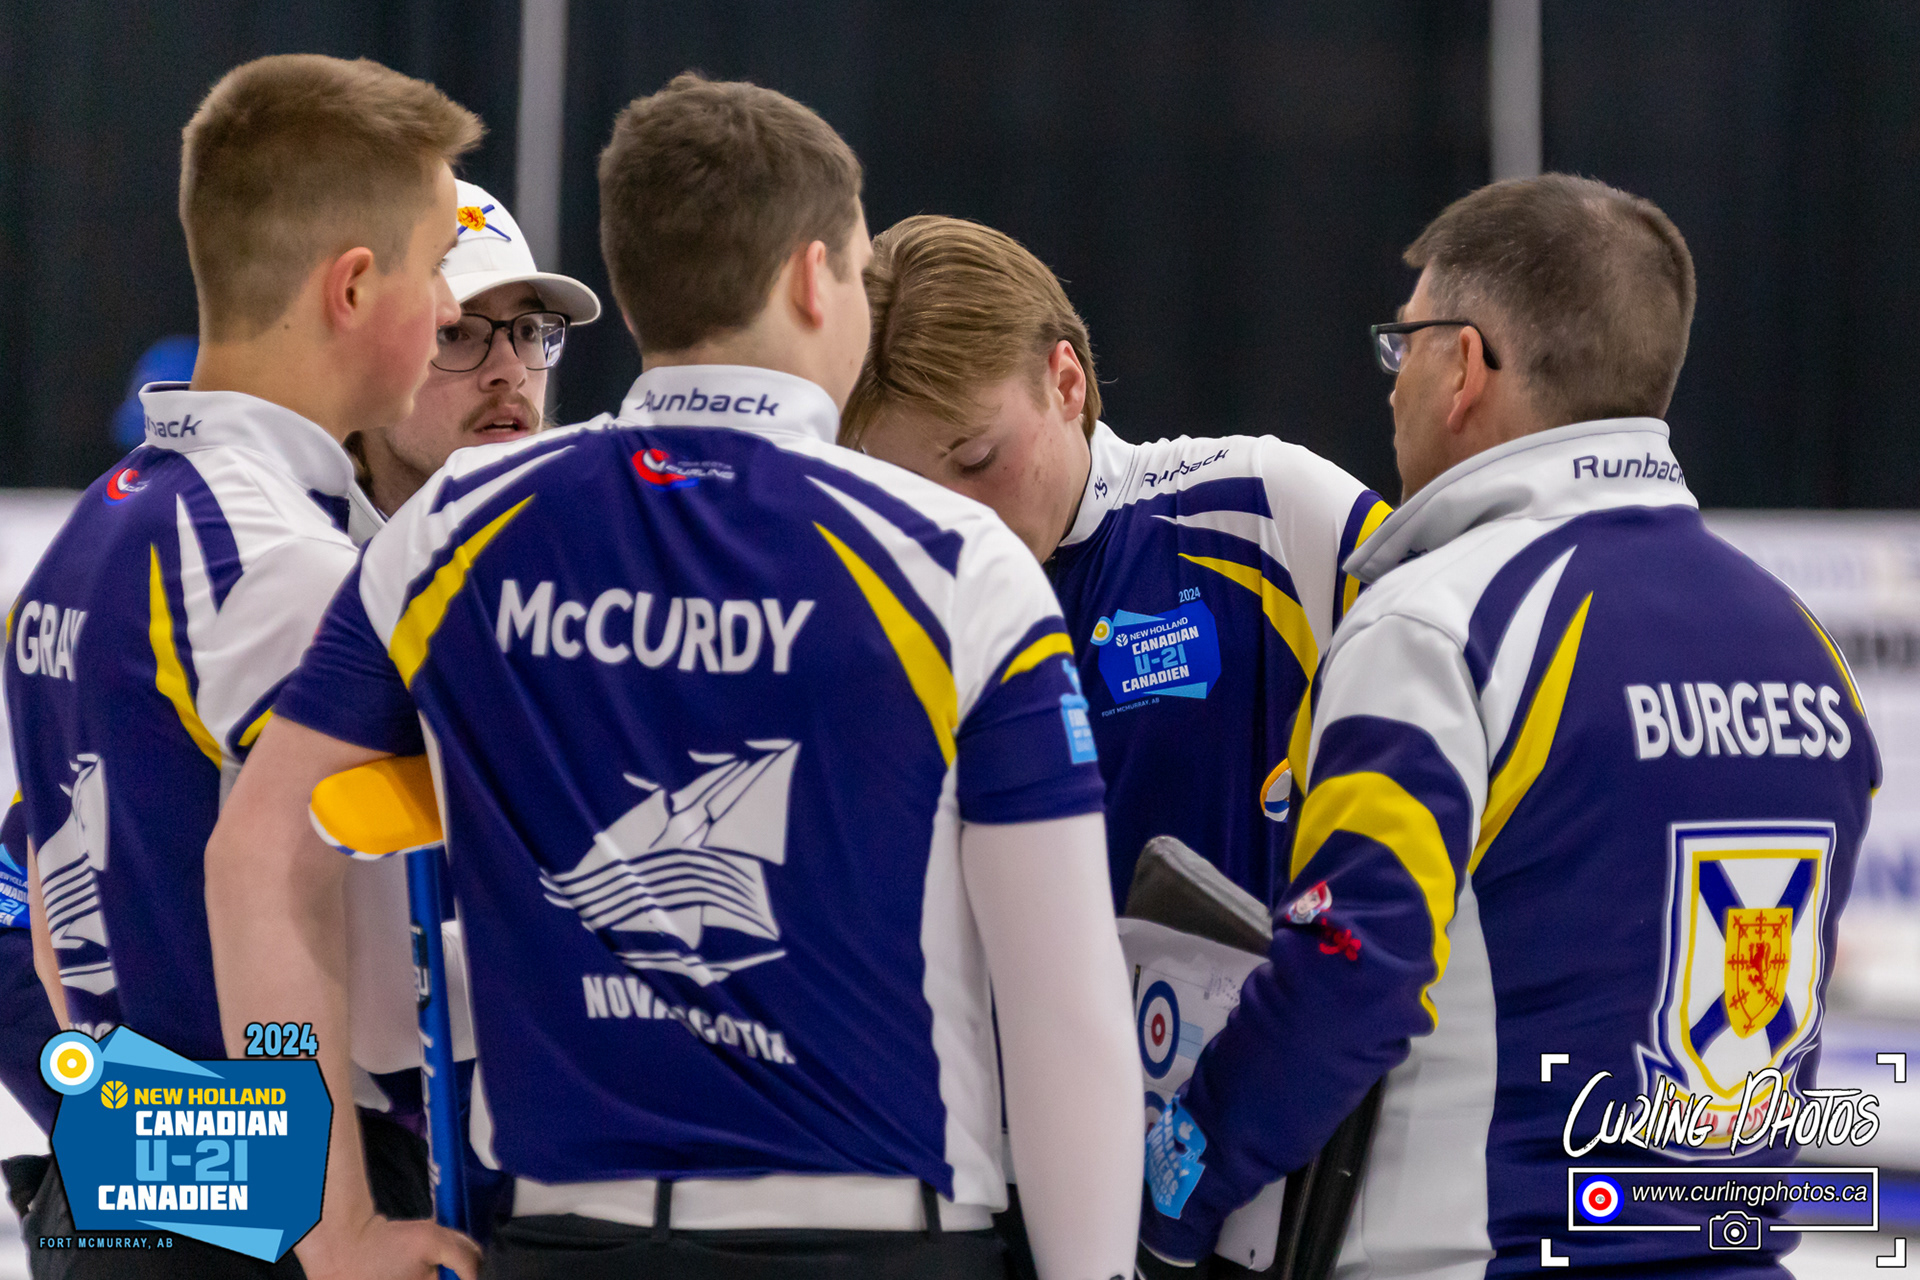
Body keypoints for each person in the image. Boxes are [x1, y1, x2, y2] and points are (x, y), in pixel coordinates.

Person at [205, 72, 1141, 1280]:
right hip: (877, 1240)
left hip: (563, 1241)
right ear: (813, 278)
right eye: (861, 270)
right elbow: (1065, 1007)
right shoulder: (956, 561)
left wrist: (321, 1220)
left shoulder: (450, 533)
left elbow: (254, 856)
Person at [1135, 175, 1878, 1277]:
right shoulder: (1808, 647)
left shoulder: (1434, 622)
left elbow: (1348, 973)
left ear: (1465, 366)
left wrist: (1170, 1186)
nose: (1394, 383)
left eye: (1405, 344)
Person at [2, 53, 483, 1279]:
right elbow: (290, 904)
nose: (448, 310)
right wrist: (336, 1218)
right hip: (272, 1209)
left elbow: (54, 921)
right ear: (354, 286)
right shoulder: (272, 559)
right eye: (437, 268)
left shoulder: (96, 531)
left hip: (138, 1171)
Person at [841, 216, 1389, 910]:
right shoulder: (860, 602)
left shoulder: (1261, 509)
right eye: (905, 487)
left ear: (1066, 382)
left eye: (977, 460)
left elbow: (1487, 696)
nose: (952, 518)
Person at [347, 180, 601, 517]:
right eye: (453, 334)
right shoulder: (291, 536)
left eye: (527, 330)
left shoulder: (597, 534)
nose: (513, 371)